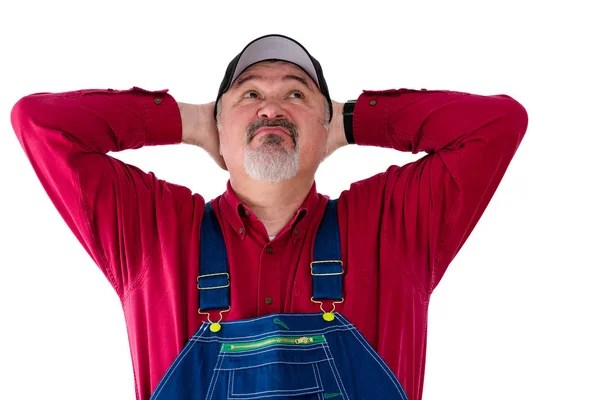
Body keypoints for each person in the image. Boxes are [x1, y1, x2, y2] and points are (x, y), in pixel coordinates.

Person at [10, 34, 528, 400]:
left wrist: (350, 120)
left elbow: (498, 123)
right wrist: (188, 120)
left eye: (296, 95)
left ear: (324, 126)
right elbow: (40, 122)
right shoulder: (155, 233)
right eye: (250, 93)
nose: (270, 108)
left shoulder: (392, 228)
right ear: (219, 124)